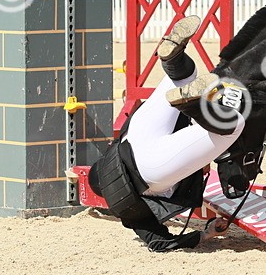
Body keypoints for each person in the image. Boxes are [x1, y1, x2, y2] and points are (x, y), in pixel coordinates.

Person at [88, 15, 249, 252]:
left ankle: (191, 104)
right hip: (134, 134)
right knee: (183, 77)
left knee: (233, 125)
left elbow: (160, 243)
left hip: (150, 169)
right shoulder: (113, 153)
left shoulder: (124, 206)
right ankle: (173, 59)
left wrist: (205, 235)